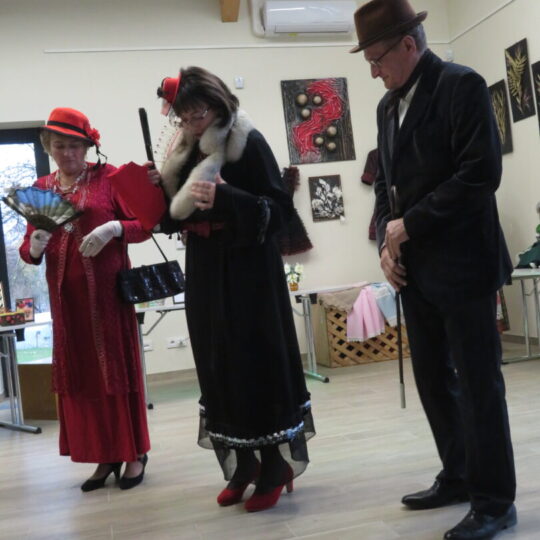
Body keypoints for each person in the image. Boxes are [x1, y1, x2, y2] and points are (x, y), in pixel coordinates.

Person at [350, 1, 516, 539]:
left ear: (408, 44)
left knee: (479, 385)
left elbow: (480, 174)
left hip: (465, 266)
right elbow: (384, 185)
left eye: (377, 59)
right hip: (414, 271)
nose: (373, 72)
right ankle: (459, 474)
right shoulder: (386, 107)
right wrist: (386, 240)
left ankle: (495, 502)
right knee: (433, 380)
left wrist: (411, 224)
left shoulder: (462, 86)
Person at [148, 67, 315, 512]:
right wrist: (157, 190)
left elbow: (279, 211)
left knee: (253, 362)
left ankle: (274, 466)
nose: (191, 124)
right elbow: (177, 215)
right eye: (183, 117)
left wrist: (227, 197)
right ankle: (244, 464)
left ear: (219, 105)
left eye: (198, 114)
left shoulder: (248, 141)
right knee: (216, 363)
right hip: (205, 268)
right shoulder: (185, 148)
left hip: (249, 273)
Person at [19, 108, 151, 491]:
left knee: (114, 372)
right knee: (83, 378)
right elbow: (28, 250)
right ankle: (103, 456)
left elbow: (145, 225)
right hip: (66, 303)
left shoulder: (109, 178)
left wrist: (114, 228)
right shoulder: (41, 188)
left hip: (108, 299)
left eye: (74, 146)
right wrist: (35, 246)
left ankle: (133, 453)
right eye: (58, 146)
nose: (67, 153)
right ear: (48, 147)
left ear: (87, 146)